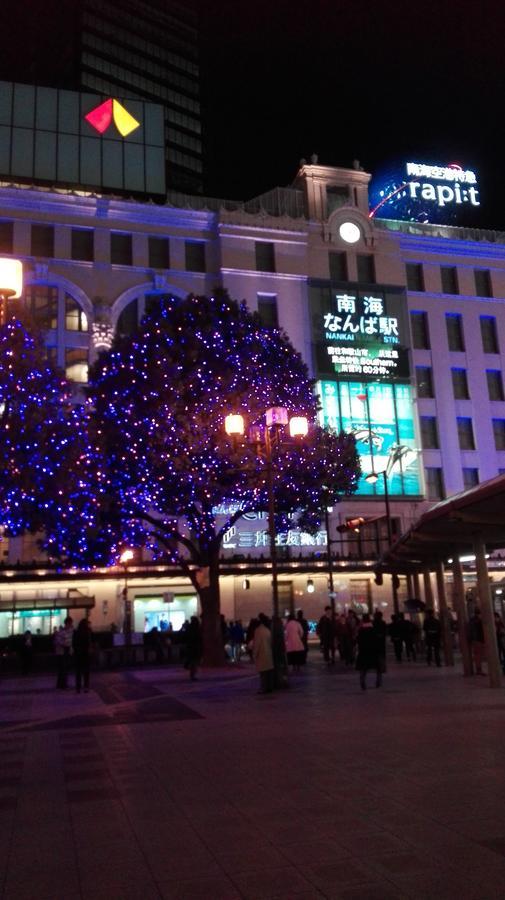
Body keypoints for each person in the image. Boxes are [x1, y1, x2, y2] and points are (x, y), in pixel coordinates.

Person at [251, 613, 274, 694]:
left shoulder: (258, 631)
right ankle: (269, 687)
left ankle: (263, 688)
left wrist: (254, 654)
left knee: (263, 673)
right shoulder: (267, 630)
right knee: (268, 672)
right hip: (268, 653)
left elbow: (256, 644)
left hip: (261, 654)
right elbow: (271, 642)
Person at [356, 614, 381, 689]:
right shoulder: (373, 629)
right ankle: (378, 682)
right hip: (373, 651)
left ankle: (362, 682)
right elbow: (377, 640)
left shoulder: (361, 630)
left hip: (363, 651)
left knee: (363, 668)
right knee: (377, 668)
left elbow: (358, 640)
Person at [73, 618, 92, 693]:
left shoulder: (76, 632)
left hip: (78, 654)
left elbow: (74, 643)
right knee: (86, 672)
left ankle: (78, 688)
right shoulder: (87, 632)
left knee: (78, 672)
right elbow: (88, 643)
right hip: (85, 654)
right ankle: (86, 687)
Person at [55, 616, 74, 689]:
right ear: (67, 623)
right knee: (63, 669)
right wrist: (66, 644)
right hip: (62, 652)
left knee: (63, 669)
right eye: (70, 623)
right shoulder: (62, 632)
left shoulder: (67, 631)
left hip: (64, 652)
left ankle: (61, 684)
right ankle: (62, 684)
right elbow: (58, 642)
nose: (71, 625)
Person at [184, 616, 202, 680]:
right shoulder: (197, 628)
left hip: (191, 646)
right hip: (195, 646)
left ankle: (192, 673)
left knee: (193, 660)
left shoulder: (189, 628)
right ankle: (192, 674)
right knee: (194, 661)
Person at [467, 608, 485, 675]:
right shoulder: (477, 621)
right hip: (478, 639)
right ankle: (479, 669)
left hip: (476, 639)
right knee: (478, 655)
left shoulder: (472, 620)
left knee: (478, 655)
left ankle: (479, 669)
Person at [373, 610, 387, 678]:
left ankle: (378, 667)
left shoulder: (374, 623)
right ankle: (382, 667)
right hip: (381, 641)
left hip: (376, 641)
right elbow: (385, 632)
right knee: (382, 654)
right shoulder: (383, 623)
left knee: (377, 654)